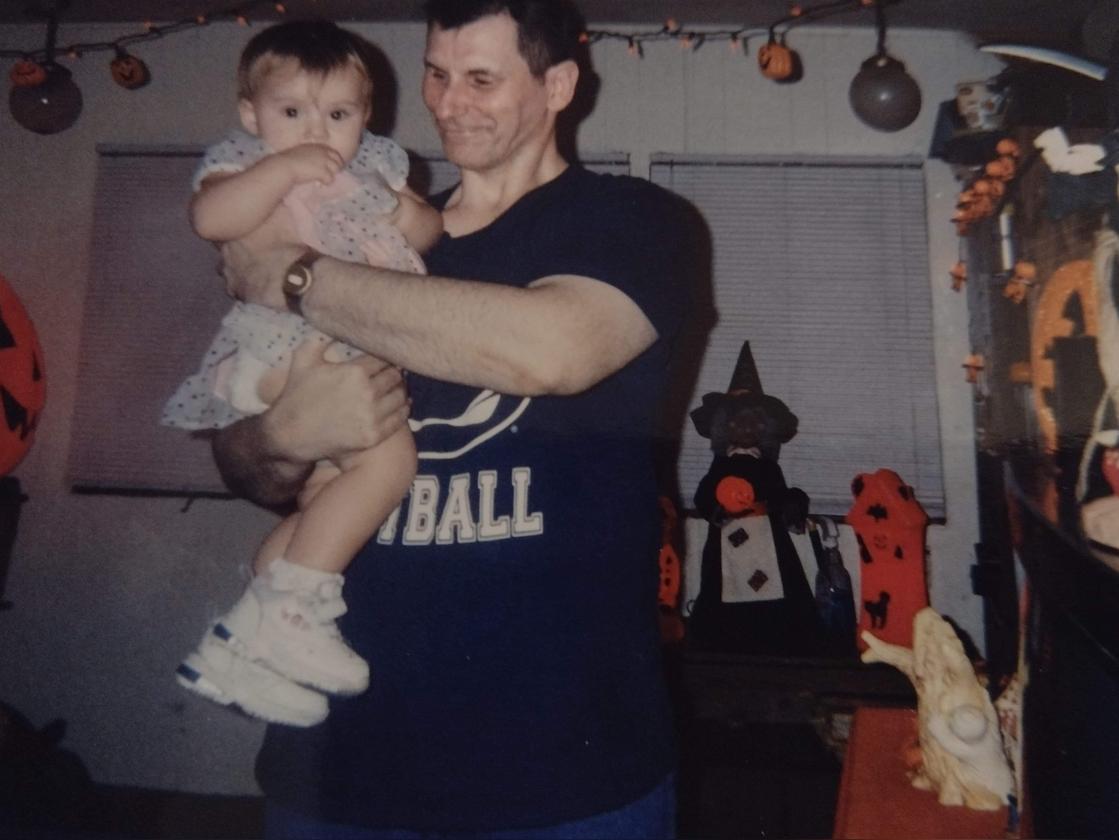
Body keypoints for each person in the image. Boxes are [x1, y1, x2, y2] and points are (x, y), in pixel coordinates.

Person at [211, 0, 695, 835]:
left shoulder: (636, 221)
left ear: (557, 85)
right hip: (340, 764)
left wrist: (295, 277)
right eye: (436, 74)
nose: (447, 102)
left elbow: (551, 351)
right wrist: (282, 437)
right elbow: (243, 464)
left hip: (563, 770)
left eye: (480, 79)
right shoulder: (364, 232)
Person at [163, 19, 442, 728]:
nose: (317, 131)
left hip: (335, 346)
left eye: (339, 114)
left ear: (365, 118)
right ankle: (293, 612)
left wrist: (400, 208)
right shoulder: (247, 159)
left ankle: (241, 645)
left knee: (327, 497)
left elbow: (428, 232)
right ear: (251, 114)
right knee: (390, 465)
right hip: (287, 345)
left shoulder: (370, 168)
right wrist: (281, 172)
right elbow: (209, 218)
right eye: (292, 111)